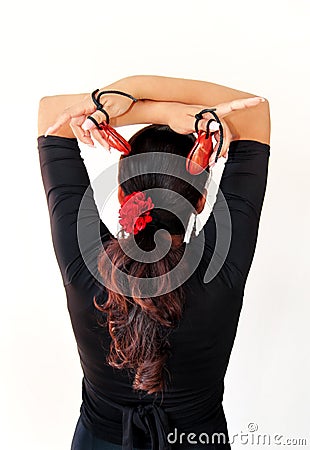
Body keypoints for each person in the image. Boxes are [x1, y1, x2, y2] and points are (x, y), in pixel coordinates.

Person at [37, 75, 271, 450]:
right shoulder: (220, 268)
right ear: (200, 199)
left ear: (121, 188)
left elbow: (52, 115)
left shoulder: (86, 261)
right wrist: (181, 114)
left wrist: (132, 98)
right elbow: (256, 109)